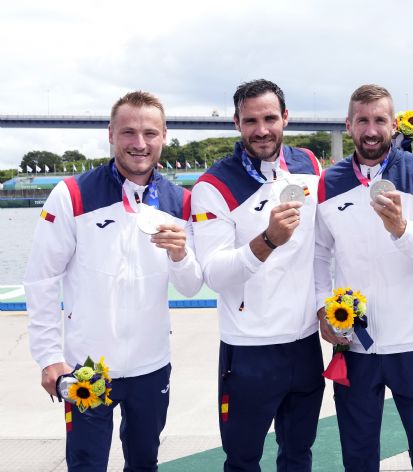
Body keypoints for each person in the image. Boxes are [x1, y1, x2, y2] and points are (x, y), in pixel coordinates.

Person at [24, 91, 203, 471]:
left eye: (150, 133)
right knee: (86, 466)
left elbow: (190, 287)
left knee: (144, 464)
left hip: (150, 366)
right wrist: (48, 357)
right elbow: (41, 280)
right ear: (110, 134)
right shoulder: (71, 194)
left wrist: (180, 254)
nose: (140, 144)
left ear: (164, 136)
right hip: (87, 366)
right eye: (129, 132)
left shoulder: (180, 201)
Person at [314, 84, 413, 471]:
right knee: (358, 459)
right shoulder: (327, 182)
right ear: (349, 125)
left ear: (394, 125)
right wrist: (320, 308)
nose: (371, 129)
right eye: (363, 120)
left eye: (380, 120)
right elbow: (318, 254)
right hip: (356, 346)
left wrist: (401, 229)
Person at [190, 79, 325, 471]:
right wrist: (267, 240)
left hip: (303, 344)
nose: (261, 129)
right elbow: (215, 273)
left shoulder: (309, 165)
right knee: (243, 459)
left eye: (270, 118)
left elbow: (319, 249)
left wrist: (321, 307)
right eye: (251, 120)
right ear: (236, 122)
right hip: (249, 350)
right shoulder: (213, 185)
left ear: (286, 117)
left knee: (299, 454)